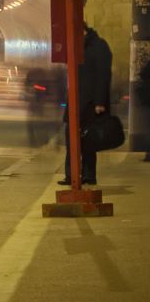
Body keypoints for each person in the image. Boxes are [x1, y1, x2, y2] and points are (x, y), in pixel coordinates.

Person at [60, 22, 113, 186]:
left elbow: (103, 75)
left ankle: (89, 175)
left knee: (88, 141)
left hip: (91, 103)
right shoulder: (76, 46)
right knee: (71, 139)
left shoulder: (99, 46)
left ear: (81, 31)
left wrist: (100, 102)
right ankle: (71, 175)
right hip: (75, 99)